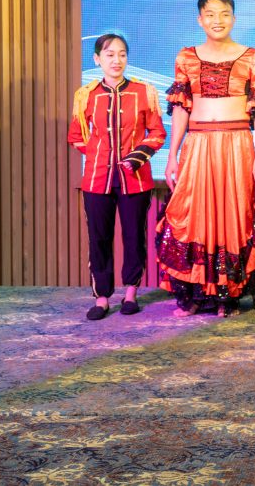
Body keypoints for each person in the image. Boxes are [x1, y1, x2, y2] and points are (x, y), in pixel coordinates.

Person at [157, 0, 255, 317]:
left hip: (237, 145)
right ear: (200, 20)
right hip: (197, 144)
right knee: (195, 215)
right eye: (210, 14)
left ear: (233, 18)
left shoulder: (253, 57)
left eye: (224, 14)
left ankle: (228, 296)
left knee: (234, 215)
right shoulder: (186, 57)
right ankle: (197, 293)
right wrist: (172, 155)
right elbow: (180, 109)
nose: (217, 20)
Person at [68, 34, 165, 320]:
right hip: (96, 179)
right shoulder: (86, 95)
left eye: (122, 54)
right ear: (97, 59)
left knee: (134, 237)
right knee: (99, 239)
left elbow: (157, 133)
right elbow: (76, 136)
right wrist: (100, 154)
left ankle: (131, 293)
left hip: (135, 179)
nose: (116, 60)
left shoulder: (144, 92)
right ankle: (101, 298)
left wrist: (135, 157)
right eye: (109, 54)